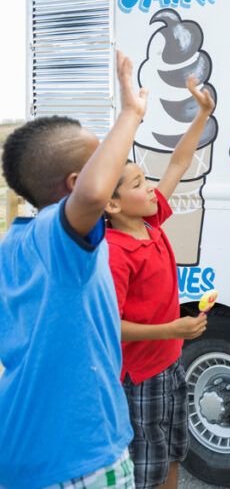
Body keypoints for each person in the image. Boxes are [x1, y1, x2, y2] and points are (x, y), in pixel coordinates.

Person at [0, 52, 145, 489]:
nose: (114, 156)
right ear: (74, 183)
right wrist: (131, 113)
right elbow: (94, 194)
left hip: (26, 451)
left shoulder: (17, 239)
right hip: (78, 460)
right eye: (103, 152)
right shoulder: (57, 240)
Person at [105, 74, 215, 489]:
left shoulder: (150, 223)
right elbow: (110, 327)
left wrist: (203, 113)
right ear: (112, 204)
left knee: (171, 453)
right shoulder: (116, 252)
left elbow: (179, 163)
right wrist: (172, 327)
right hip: (140, 376)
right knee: (145, 468)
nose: (150, 188)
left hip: (169, 365)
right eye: (137, 184)